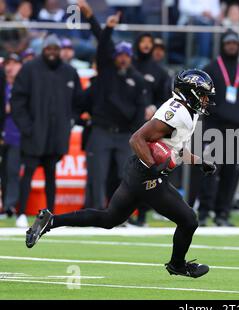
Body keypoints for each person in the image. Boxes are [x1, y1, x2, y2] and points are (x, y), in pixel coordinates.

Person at [25, 69, 217, 279]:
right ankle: (177, 264)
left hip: (139, 171)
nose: (206, 100)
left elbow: (174, 148)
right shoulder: (177, 112)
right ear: (190, 92)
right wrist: (153, 169)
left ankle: (51, 221)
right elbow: (137, 139)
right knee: (189, 220)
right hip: (146, 175)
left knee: (109, 218)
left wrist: (199, 162)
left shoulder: (188, 112)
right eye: (204, 95)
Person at [10, 34, 83, 222]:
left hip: (57, 134)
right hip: (34, 133)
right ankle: (21, 213)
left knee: (51, 174)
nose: (52, 52)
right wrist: (27, 127)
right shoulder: (29, 69)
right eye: (48, 49)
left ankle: (49, 215)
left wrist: (70, 121)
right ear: (43, 50)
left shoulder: (69, 71)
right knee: (28, 173)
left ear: (60, 51)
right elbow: (17, 100)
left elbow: (78, 101)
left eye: (55, 49)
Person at [83, 13, 148, 210]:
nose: (122, 59)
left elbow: (140, 108)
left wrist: (137, 134)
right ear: (114, 57)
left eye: (126, 56)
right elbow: (102, 46)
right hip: (101, 130)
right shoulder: (106, 72)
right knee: (97, 175)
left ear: (131, 58)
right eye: (119, 55)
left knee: (126, 176)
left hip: (125, 134)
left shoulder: (137, 80)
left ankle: (119, 214)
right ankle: (96, 212)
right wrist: (108, 27)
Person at [198, 30, 239, 227]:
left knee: (231, 174)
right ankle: (203, 212)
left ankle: (222, 214)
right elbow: (203, 99)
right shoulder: (211, 69)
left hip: (236, 131)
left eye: (234, 43)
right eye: (228, 42)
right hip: (214, 128)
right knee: (210, 173)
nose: (231, 46)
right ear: (222, 45)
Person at [0, 53, 24, 226]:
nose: (11, 66)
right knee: (4, 173)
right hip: (2, 133)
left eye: (15, 63)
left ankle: (10, 206)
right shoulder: (3, 85)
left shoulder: (23, 86)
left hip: (15, 135)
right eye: (8, 63)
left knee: (12, 171)